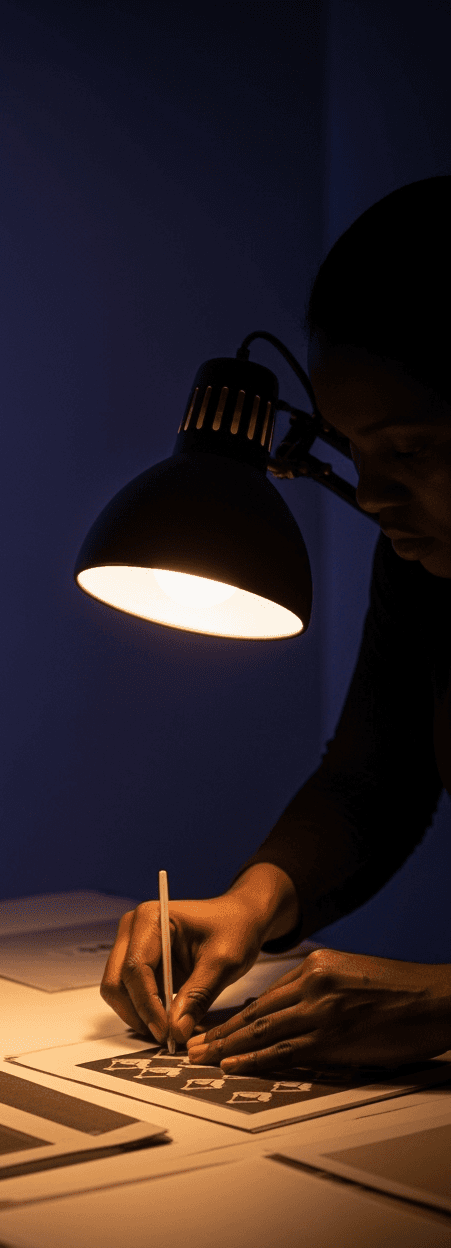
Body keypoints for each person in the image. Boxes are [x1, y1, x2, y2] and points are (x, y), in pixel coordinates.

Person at [101, 177, 451, 1071]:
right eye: (351, 451)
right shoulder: (426, 563)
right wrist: (255, 901)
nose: (371, 498)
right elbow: (377, 778)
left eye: (409, 450)